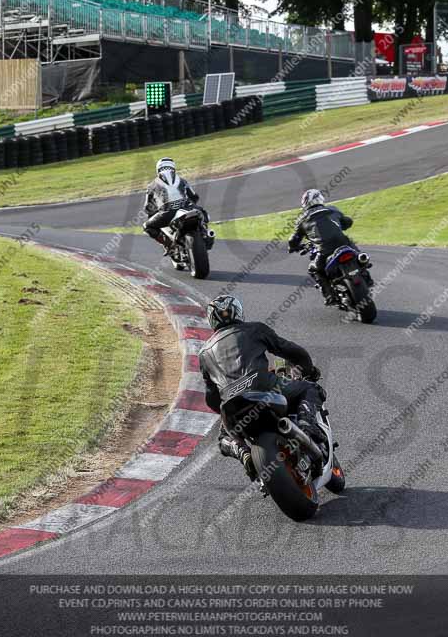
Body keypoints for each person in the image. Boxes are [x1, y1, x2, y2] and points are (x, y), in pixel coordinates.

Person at [199, 295, 326, 479]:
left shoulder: (204, 354)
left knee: (223, 439)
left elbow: (211, 398)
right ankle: (307, 426)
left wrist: (226, 405)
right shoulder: (255, 329)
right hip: (265, 388)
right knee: (310, 389)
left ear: (212, 320)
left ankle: (243, 452)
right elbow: (292, 351)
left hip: (232, 405)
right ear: (238, 312)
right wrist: (308, 368)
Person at [287, 189, 359, 305]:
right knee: (353, 249)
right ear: (320, 198)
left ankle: (329, 295)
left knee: (314, 269)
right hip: (343, 243)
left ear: (305, 204)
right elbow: (347, 222)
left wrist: (293, 247)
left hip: (324, 250)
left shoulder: (302, 219)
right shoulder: (332, 209)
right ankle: (363, 263)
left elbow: (294, 239)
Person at [143, 157, 206, 251]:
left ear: (158, 170)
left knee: (147, 226)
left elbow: (147, 208)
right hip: (187, 209)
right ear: (173, 168)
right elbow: (194, 197)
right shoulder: (182, 180)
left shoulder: (151, 185)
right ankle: (205, 233)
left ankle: (170, 245)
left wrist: (155, 210)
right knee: (202, 212)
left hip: (167, 214)